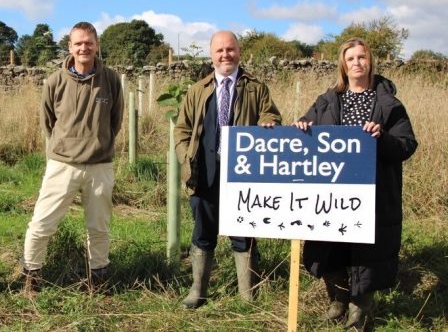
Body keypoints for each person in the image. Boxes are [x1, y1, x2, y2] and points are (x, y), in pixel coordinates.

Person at [294, 38, 417, 329]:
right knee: (329, 246)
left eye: (362, 57)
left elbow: (407, 145)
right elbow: (305, 127)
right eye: (351, 58)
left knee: (366, 252)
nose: (357, 62)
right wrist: (301, 126)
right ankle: (338, 296)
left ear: (370, 62)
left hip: (373, 191)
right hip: (332, 191)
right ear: (343, 65)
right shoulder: (327, 100)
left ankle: (359, 308)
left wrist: (382, 137)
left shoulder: (388, 104)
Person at [174, 30, 281, 309]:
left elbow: (271, 114)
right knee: (202, 232)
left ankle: (248, 297)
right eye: (220, 50)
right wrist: (186, 156)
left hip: (242, 176)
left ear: (239, 52)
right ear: (212, 55)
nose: (225, 55)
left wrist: (269, 122)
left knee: (244, 233)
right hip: (205, 173)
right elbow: (182, 129)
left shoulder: (256, 89)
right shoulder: (198, 90)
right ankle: (198, 292)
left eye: (230, 49)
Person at [20, 21, 123, 293]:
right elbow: (47, 122)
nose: (83, 48)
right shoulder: (55, 81)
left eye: (88, 42)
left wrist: (98, 143)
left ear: (97, 45)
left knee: (98, 228)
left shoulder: (110, 79)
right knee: (42, 223)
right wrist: (64, 145)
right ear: (70, 47)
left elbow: (115, 121)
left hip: (99, 165)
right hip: (62, 165)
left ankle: (98, 280)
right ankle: (32, 276)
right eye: (78, 43)